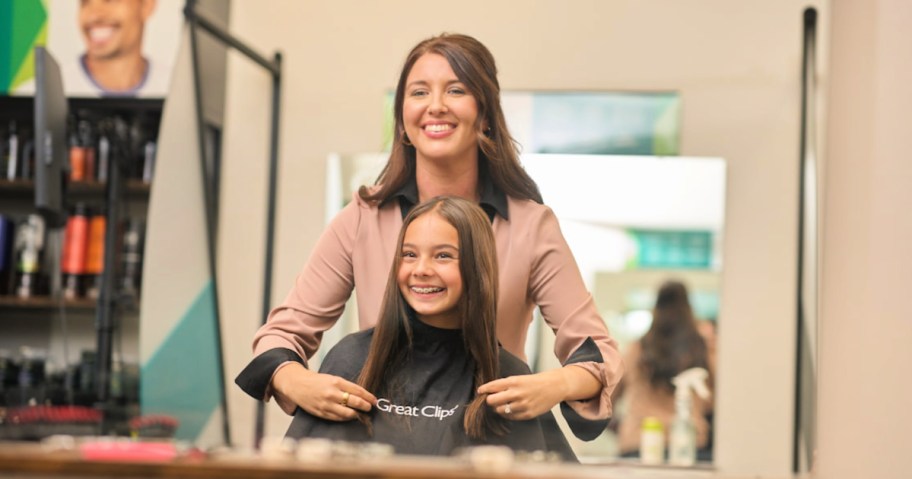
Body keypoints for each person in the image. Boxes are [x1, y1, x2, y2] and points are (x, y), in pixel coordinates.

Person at [236, 33, 623, 443]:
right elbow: (281, 335)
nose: (435, 105)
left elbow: (597, 351)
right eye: (419, 92)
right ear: (402, 117)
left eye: (456, 90)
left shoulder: (530, 225)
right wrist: (297, 381)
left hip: (488, 443)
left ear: (486, 113)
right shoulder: (363, 219)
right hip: (382, 444)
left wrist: (552, 385)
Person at [281, 196, 588, 459]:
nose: (421, 270)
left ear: (476, 267)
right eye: (409, 255)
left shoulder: (508, 379)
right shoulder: (352, 359)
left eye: (443, 256)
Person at [611, 280, 714, 458]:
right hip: (690, 448)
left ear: (656, 308)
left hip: (638, 444)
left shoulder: (637, 350)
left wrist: (623, 427)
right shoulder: (703, 350)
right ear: (689, 308)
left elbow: (607, 401)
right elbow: (717, 402)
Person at [77, 0, 157, 95]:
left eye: (110, 1)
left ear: (146, 5)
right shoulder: (58, 88)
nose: (94, 15)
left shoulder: (173, 86)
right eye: (85, 2)